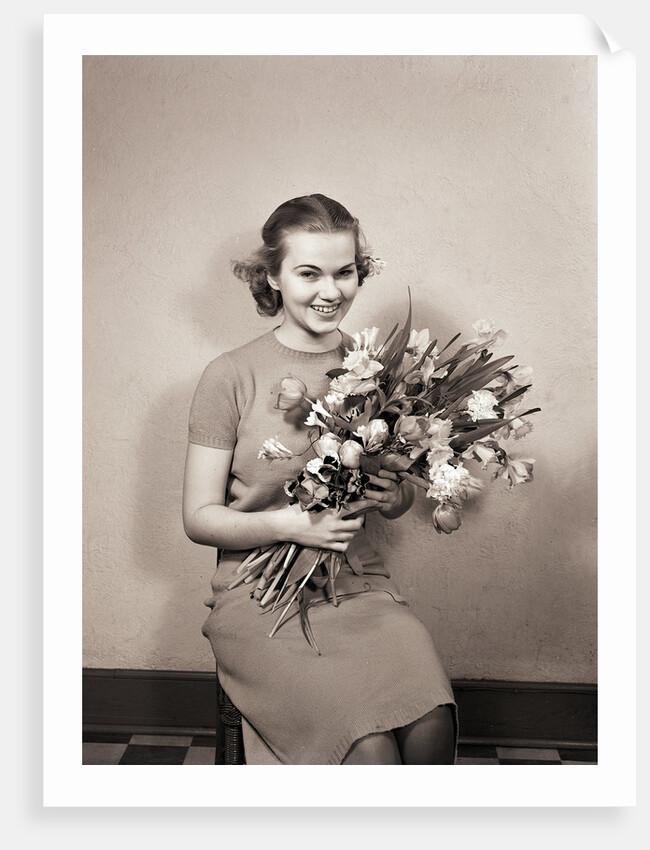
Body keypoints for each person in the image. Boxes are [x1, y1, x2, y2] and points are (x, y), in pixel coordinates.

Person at [183, 194, 457, 764]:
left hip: (359, 586)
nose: (330, 292)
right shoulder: (229, 376)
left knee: (434, 725)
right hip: (258, 596)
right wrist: (290, 524)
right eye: (309, 273)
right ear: (273, 277)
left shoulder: (384, 368)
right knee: (369, 749)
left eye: (345, 272)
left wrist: (393, 495)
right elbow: (198, 518)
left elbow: (399, 488)